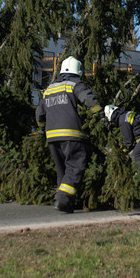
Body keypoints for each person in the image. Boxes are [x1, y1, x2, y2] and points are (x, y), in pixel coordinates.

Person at [35, 56, 101, 213]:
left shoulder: (49, 89)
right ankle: (63, 199)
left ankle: (66, 202)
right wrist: (99, 116)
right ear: (78, 71)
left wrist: (42, 128)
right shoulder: (75, 84)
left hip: (52, 136)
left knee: (62, 170)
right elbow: (90, 101)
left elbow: (39, 113)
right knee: (75, 166)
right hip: (72, 133)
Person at [104, 104, 140, 169]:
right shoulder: (126, 114)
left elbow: (128, 141)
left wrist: (124, 151)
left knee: (136, 155)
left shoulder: (122, 121)